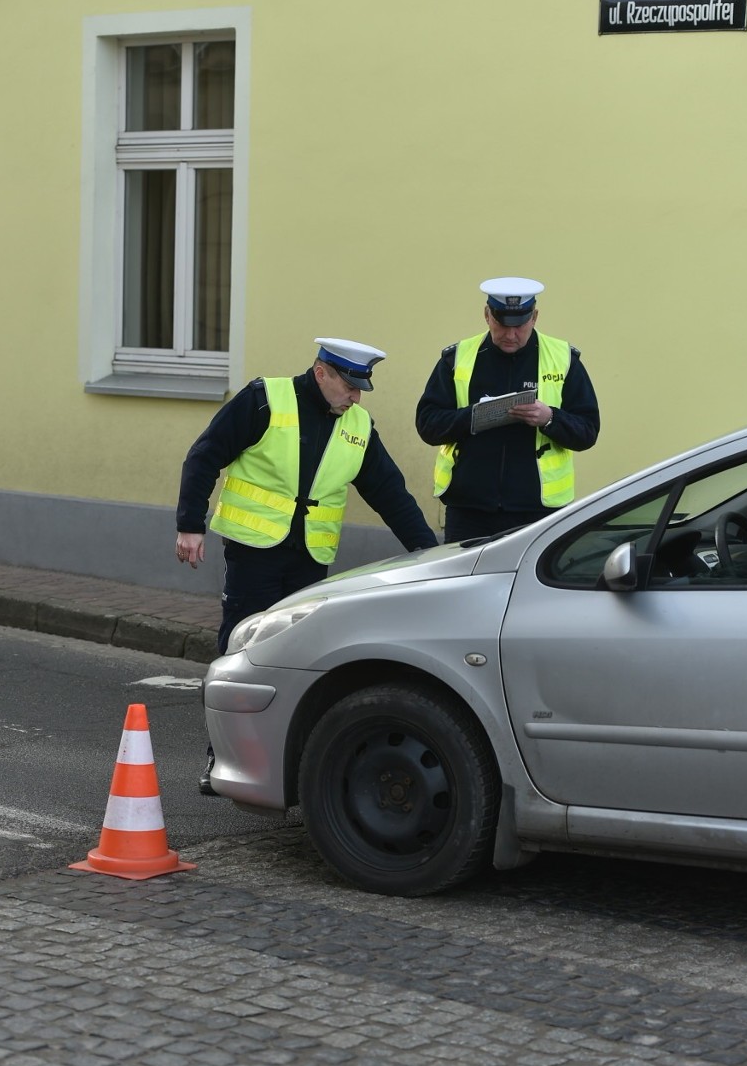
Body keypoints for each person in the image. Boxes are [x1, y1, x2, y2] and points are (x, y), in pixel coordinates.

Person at [176, 337, 439, 793]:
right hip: (255, 551)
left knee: (297, 658)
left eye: (361, 388)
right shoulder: (265, 399)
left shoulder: (357, 425)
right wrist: (190, 524)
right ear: (322, 372)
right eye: (349, 385)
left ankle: (285, 759)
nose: (356, 396)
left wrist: (427, 551)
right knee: (243, 652)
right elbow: (206, 455)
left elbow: (390, 494)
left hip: (309, 561)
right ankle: (223, 755)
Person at [416, 277, 600, 543]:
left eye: (520, 325)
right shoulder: (457, 358)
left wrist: (550, 418)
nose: (511, 335)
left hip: (537, 512)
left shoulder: (564, 359)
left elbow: (588, 431)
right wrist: (475, 417)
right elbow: (428, 425)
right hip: (469, 511)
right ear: (487, 315)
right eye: (502, 324)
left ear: (534, 317)